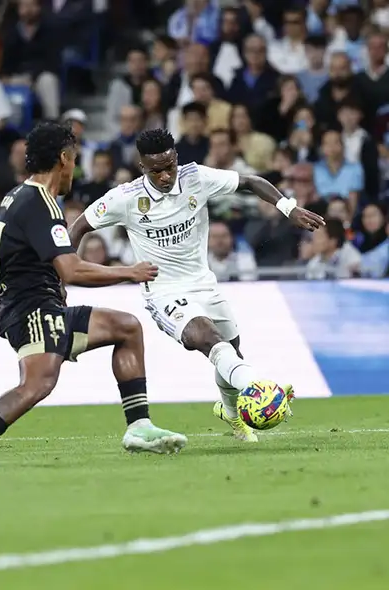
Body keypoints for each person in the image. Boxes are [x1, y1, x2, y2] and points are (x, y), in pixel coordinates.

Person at [0, 121, 188, 469]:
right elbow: (71, 269)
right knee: (36, 385)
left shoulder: (14, 197)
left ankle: (139, 426)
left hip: (35, 309)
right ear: (64, 158)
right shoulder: (40, 204)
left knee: (126, 328)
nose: (75, 169)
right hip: (33, 312)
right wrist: (128, 271)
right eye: (75, 159)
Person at [69, 129, 325, 443]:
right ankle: (259, 388)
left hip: (204, 284)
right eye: (156, 171)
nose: (165, 176)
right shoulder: (125, 198)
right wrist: (62, 270)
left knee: (231, 351)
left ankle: (231, 413)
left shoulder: (196, 177)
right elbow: (79, 226)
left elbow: (251, 182)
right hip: (164, 290)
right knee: (208, 339)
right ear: (141, 167)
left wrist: (289, 208)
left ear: (176, 158)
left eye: (170, 167)